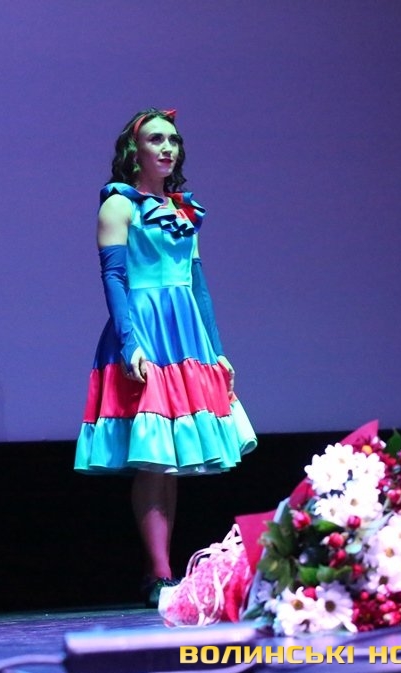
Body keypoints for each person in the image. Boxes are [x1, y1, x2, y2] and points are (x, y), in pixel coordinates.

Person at [75, 108, 257, 607]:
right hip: (145, 331)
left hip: (185, 337)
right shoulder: (119, 205)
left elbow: (198, 285)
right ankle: (158, 574)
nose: (167, 148)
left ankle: (162, 571)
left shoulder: (182, 211)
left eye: (173, 140)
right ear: (134, 151)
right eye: (156, 139)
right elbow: (114, 278)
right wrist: (130, 343)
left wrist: (216, 350)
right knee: (154, 458)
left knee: (171, 462)